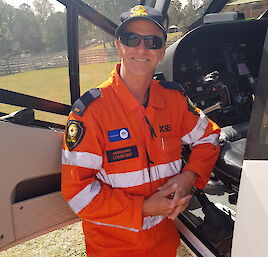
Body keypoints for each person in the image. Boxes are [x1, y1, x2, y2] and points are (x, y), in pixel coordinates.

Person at [61, 5, 220, 257]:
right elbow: (78, 193)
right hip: (112, 248)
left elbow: (209, 136)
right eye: (132, 39)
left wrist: (189, 176)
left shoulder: (174, 99)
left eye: (152, 42)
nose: (142, 49)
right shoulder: (90, 112)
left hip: (165, 243)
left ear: (162, 52)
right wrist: (144, 208)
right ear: (119, 46)